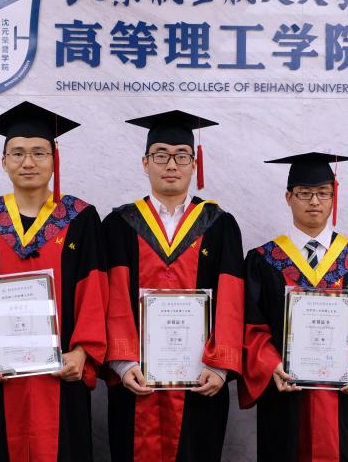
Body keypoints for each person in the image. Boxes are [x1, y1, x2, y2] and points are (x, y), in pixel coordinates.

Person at [0, 101, 108, 462]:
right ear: (3, 161)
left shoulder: (81, 218)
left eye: (39, 152)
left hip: (62, 372)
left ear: (55, 160)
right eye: (17, 153)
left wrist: (83, 352)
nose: (28, 162)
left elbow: (94, 289)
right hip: (2, 376)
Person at [103, 110, 245, 462]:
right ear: (145, 163)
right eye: (161, 155)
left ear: (194, 164)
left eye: (181, 156)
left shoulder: (219, 225)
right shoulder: (119, 225)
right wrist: (122, 363)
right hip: (136, 380)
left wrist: (221, 365)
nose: (171, 164)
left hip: (201, 380)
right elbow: (113, 297)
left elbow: (232, 298)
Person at [240, 152, 348, 461]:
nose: (314, 201)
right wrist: (270, 366)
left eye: (323, 193)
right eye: (304, 193)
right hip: (284, 394)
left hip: (339, 396)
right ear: (288, 197)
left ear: (333, 198)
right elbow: (251, 327)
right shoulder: (263, 260)